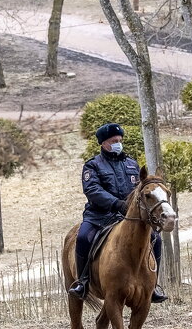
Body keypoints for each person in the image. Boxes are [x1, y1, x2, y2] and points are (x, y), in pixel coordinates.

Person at [67, 123, 167, 303]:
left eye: (120, 140)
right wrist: (116, 204)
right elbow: (93, 190)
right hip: (99, 217)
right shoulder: (93, 166)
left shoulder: (131, 164)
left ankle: (153, 285)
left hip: (127, 218)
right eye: (114, 141)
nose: (118, 144)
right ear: (103, 143)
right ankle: (82, 282)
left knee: (156, 239)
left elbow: (140, 189)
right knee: (82, 238)